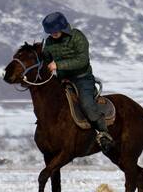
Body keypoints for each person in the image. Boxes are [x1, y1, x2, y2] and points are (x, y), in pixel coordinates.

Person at [41, 12, 114, 153]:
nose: (53, 34)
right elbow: (45, 59)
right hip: (62, 80)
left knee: (86, 104)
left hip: (82, 78)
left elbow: (82, 61)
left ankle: (104, 134)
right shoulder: (49, 42)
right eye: (50, 32)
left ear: (63, 27)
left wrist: (58, 65)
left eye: (55, 31)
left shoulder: (77, 37)